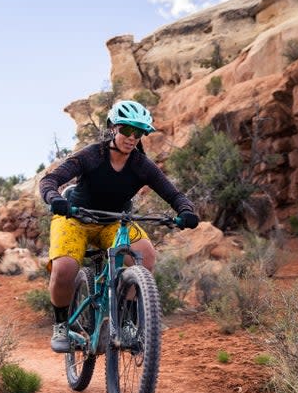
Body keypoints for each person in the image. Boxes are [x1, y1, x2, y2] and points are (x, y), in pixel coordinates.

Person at [39, 100, 199, 353]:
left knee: (145, 256)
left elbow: (174, 193)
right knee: (65, 267)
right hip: (75, 218)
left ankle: (126, 323)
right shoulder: (92, 155)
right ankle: (61, 325)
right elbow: (50, 180)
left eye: (139, 133)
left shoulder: (141, 165)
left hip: (114, 222)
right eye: (127, 130)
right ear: (113, 127)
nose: (132, 138)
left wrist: (186, 211)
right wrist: (55, 199)